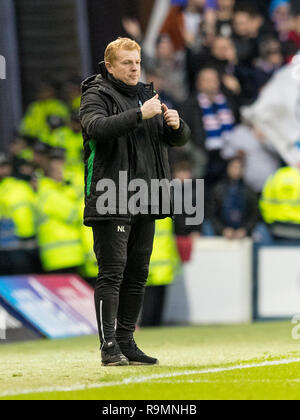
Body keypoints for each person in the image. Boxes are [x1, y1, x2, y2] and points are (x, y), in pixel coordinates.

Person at [79, 37, 190, 366]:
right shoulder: (96, 94)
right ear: (110, 66)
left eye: (137, 62)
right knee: (112, 272)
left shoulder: (146, 95)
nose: (134, 68)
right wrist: (140, 114)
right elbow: (95, 128)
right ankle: (108, 345)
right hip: (111, 194)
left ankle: (127, 341)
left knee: (138, 273)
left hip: (146, 195)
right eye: (127, 63)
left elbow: (174, 140)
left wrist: (176, 126)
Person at [206, 156, 258, 239]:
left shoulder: (249, 191)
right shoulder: (218, 189)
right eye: (234, 167)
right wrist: (222, 229)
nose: (236, 170)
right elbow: (212, 214)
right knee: (207, 227)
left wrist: (245, 230)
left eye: (239, 168)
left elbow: (254, 215)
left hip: (242, 230)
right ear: (228, 168)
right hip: (222, 229)